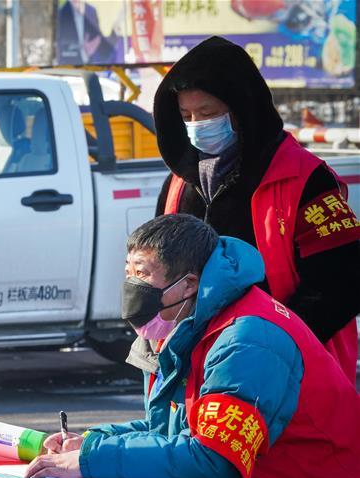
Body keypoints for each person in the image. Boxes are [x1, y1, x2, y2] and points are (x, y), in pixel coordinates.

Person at [25, 214, 360, 478]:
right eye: (128, 271)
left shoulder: (247, 339)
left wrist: (92, 460)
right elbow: (170, 428)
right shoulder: (200, 323)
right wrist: (89, 442)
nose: (132, 287)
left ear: (189, 284)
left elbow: (216, 461)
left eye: (144, 275)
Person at [151, 35, 360, 381]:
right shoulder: (178, 182)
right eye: (186, 115)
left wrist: (271, 342)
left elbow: (343, 281)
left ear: (242, 110)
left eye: (207, 113)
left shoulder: (304, 178)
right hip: (200, 371)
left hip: (291, 370)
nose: (196, 125)